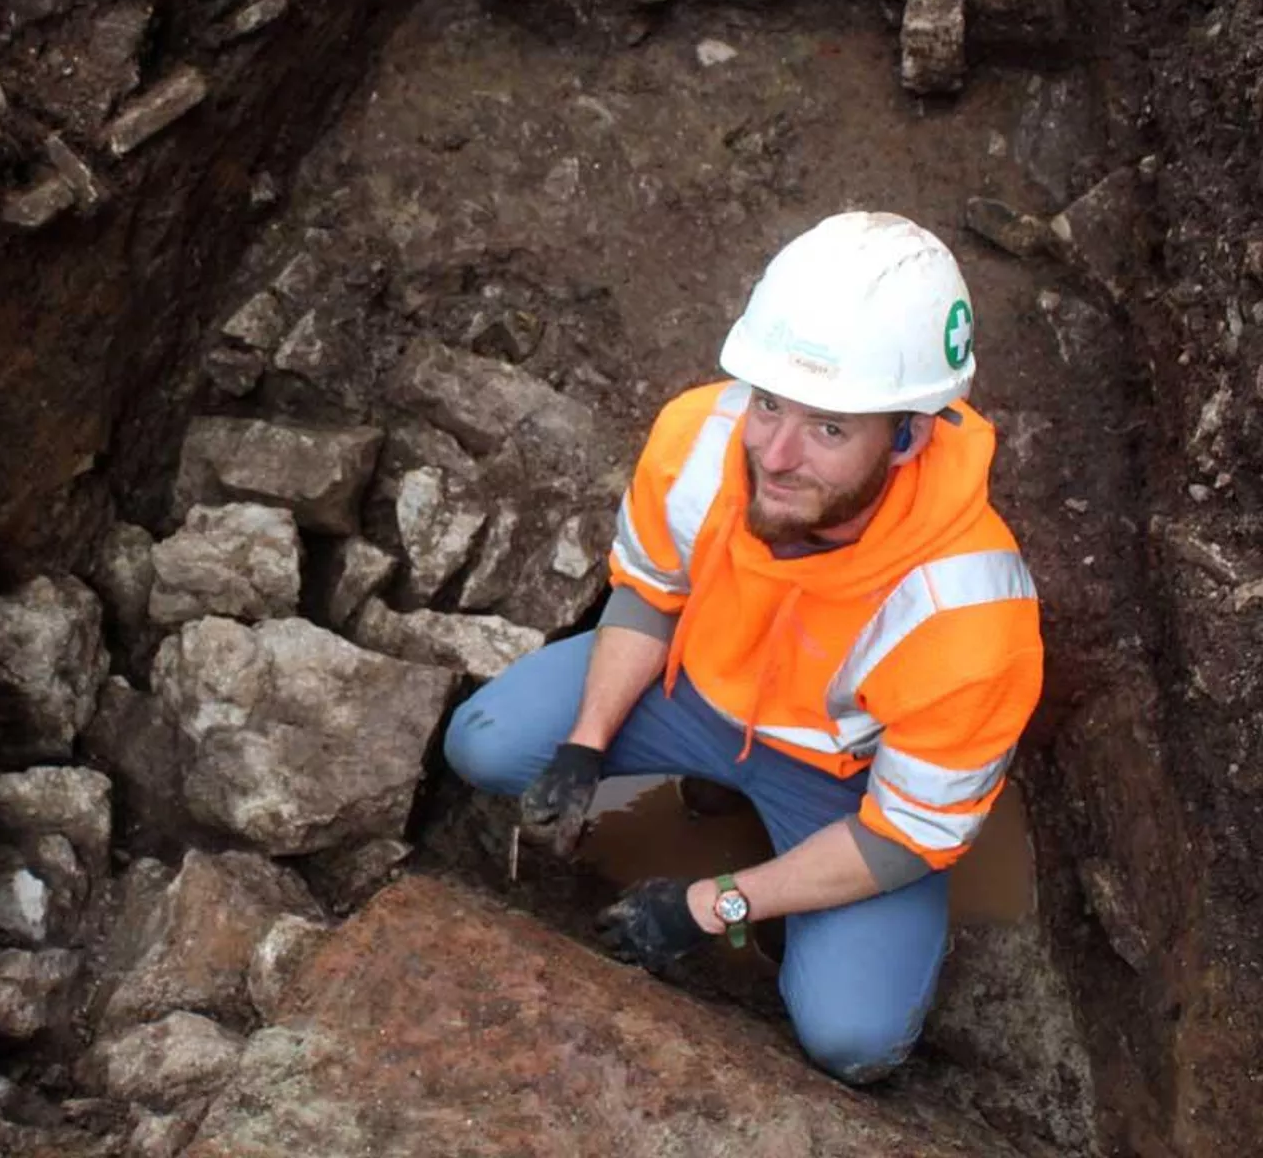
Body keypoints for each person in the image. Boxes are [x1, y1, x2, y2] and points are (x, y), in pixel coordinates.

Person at [443, 211, 1043, 1086]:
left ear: (909, 436)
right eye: (768, 403)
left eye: (830, 428)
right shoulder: (699, 441)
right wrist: (585, 745)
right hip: (697, 692)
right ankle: (719, 790)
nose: (776, 454)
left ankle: (780, 877)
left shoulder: (970, 621)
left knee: (854, 1040)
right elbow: (650, 597)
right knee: (487, 742)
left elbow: (908, 836)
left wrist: (712, 904)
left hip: (847, 786)